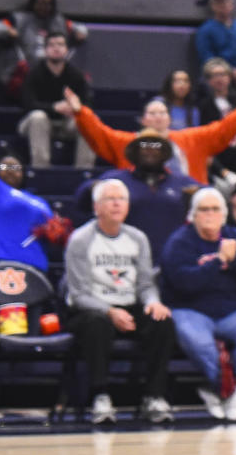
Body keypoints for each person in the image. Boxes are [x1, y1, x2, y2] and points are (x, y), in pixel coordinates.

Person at [63, 178, 176, 426]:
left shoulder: (137, 238)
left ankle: (154, 396)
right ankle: (100, 396)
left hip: (129, 304)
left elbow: (146, 285)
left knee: (162, 321)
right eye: (109, 199)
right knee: (97, 324)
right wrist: (110, 311)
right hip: (91, 309)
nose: (116, 203)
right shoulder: (81, 240)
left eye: (121, 199)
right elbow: (79, 294)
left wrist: (153, 302)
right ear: (96, 207)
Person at [162, 187, 236, 422]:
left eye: (215, 209)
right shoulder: (180, 241)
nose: (209, 215)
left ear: (223, 214)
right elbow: (183, 283)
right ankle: (233, 392)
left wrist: (235, 260)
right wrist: (218, 262)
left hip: (231, 310)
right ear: (193, 215)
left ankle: (219, 390)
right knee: (198, 341)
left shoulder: (235, 238)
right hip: (190, 309)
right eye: (204, 210)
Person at [65, 85, 236, 184]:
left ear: (170, 120)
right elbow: (100, 135)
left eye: (162, 113)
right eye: (152, 113)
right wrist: (80, 112)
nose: (158, 117)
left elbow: (223, 129)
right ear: (143, 120)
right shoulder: (128, 143)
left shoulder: (192, 140)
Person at [71, 132, 200, 264]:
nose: (150, 149)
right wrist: (94, 188)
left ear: (164, 153)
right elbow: (81, 199)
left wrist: (199, 194)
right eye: (144, 145)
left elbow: (211, 195)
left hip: (172, 260)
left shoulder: (183, 183)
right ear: (135, 152)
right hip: (125, 259)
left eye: (155, 145)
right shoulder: (117, 179)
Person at [0, 123, 57, 269]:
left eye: (16, 167)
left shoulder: (39, 201)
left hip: (33, 268)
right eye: (5, 166)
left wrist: (57, 232)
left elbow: (51, 234)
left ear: (23, 173)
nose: (11, 170)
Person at [0, 0, 88, 92]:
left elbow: (81, 29)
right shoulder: (19, 19)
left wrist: (80, 33)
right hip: (24, 73)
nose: (44, 7)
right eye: (40, 3)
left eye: (47, 4)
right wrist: (8, 31)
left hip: (53, 74)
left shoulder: (58, 21)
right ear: (33, 3)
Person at [16, 31, 94, 167]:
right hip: (35, 124)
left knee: (88, 120)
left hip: (66, 123)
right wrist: (54, 107)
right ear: (45, 50)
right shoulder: (33, 73)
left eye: (60, 44)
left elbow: (87, 104)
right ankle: (41, 170)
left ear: (67, 50)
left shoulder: (76, 75)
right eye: (51, 45)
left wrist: (74, 108)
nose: (56, 48)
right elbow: (27, 104)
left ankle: (84, 172)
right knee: (38, 117)